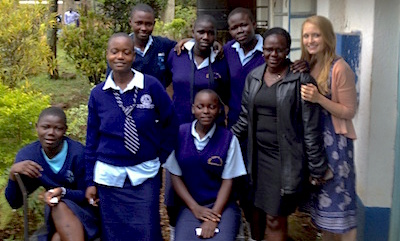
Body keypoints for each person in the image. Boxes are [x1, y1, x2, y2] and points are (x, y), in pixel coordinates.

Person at [231, 27, 328, 241]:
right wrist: (223, 142)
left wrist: (316, 166)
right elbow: (245, 120)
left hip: (284, 160)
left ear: (287, 51)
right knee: (256, 214)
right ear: (262, 49)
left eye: (279, 50)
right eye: (268, 49)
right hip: (256, 158)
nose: (273, 55)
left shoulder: (301, 80)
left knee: (275, 218)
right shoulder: (254, 76)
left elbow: (310, 127)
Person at [84, 32, 179, 241]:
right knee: (114, 233)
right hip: (108, 176)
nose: (120, 57)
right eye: (114, 52)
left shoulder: (151, 85)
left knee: (148, 230)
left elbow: (171, 122)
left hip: (144, 173)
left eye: (126, 52)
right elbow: (91, 140)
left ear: (133, 56)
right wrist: (90, 181)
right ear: (107, 55)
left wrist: (161, 155)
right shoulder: (98, 94)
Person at [300, 15, 358, 241]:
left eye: (316, 35)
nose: (310, 40)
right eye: (306, 35)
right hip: (316, 146)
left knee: (340, 208)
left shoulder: (340, 68)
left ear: (327, 37)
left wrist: (319, 99)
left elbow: (349, 111)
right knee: (324, 211)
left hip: (336, 146)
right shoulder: (309, 64)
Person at [5, 107, 99, 241]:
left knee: (57, 236)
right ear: (37, 127)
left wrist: (63, 192)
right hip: (55, 214)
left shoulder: (78, 154)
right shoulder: (29, 156)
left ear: (65, 130)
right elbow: (15, 202)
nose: (51, 133)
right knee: (58, 208)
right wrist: (13, 174)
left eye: (58, 128)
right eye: (45, 127)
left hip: (85, 212)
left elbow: (87, 195)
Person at [163, 89, 247, 241]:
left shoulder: (228, 139)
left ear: (219, 109)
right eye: (200, 107)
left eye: (211, 107)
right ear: (193, 109)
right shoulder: (179, 135)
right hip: (190, 205)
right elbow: (175, 175)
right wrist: (195, 208)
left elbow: (228, 181)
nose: (206, 111)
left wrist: (213, 217)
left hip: (222, 206)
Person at [167, 14, 230, 124]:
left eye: (210, 33)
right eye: (201, 32)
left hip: (212, 127)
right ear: (193, 32)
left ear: (216, 35)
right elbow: (167, 82)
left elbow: (226, 94)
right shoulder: (177, 54)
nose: (205, 37)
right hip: (180, 125)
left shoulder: (221, 59)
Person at [105, 3, 177, 88]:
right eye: (139, 23)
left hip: (157, 98)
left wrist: (186, 41)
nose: (143, 28)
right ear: (130, 22)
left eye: (148, 24)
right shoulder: (120, 49)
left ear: (154, 24)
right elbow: (111, 79)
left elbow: (184, 48)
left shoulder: (163, 45)